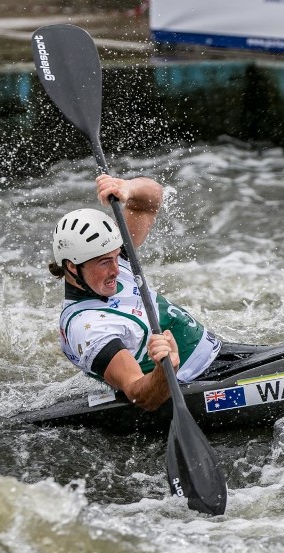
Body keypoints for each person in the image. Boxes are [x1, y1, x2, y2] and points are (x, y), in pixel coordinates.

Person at [49, 174, 222, 411]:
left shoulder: (112, 261)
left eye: (116, 256)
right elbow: (139, 395)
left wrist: (126, 188)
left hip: (217, 356)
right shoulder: (88, 327)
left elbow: (148, 202)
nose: (116, 269)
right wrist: (165, 369)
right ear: (71, 266)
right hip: (190, 382)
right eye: (103, 263)